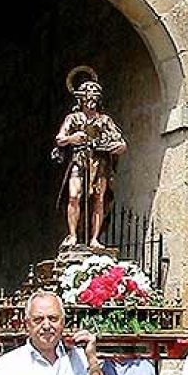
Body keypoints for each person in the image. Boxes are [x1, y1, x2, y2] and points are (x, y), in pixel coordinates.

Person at [54, 71, 127, 250]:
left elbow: (122, 143)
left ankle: (94, 238)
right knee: (74, 195)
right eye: (88, 96)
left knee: (98, 199)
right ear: (81, 99)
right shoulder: (73, 118)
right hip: (79, 160)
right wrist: (73, 139)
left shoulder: (104, 120)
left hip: (100, 162)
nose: (91, 100)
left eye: (94, 96)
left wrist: (116, 147)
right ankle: (72, 235)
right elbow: (59, 139)